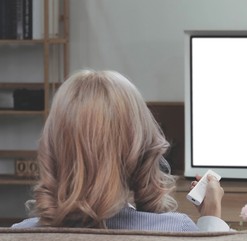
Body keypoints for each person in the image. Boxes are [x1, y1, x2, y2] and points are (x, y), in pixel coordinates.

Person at [12, 69, 229, 232]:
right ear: (141, 149)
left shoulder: (17, 238)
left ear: (53, 149)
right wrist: (211, 221)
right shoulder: (175, 231)